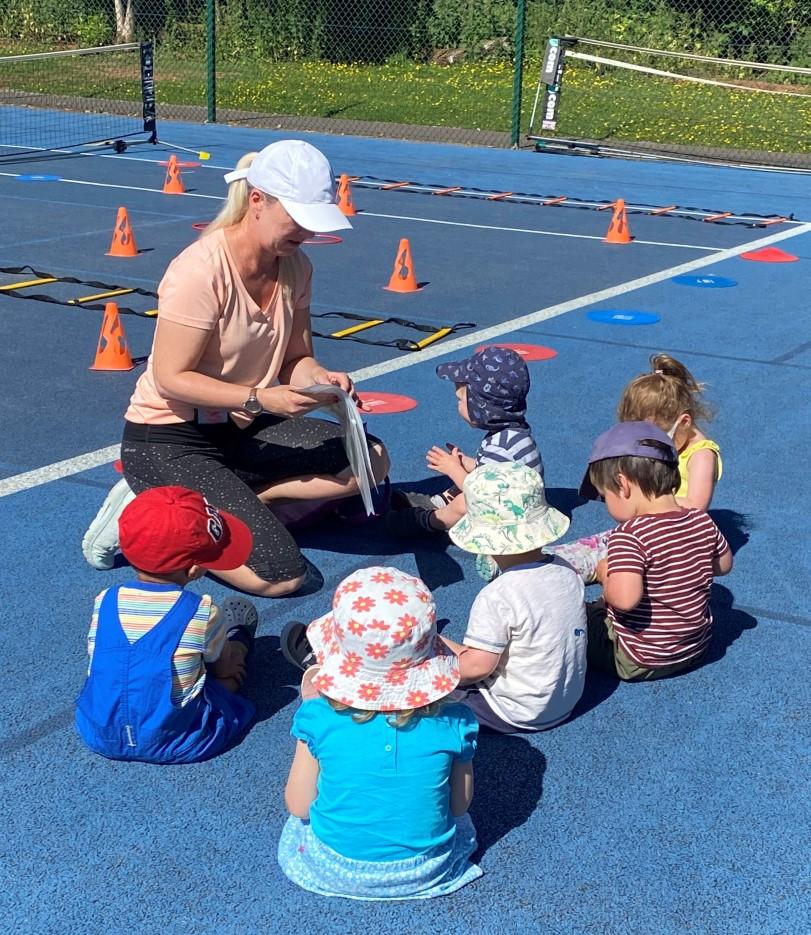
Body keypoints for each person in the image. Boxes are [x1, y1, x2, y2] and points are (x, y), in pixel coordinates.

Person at [81, 139, 390, 596]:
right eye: (298, 218)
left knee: (372, 459)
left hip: (241, 427)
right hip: (169, 435)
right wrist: (260, 398)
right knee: (281, 577)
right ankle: (144, 507)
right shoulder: (200, 270)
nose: (305, 233)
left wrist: (321, 381)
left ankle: (212, 504)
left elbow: (295, 359)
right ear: (257, 200)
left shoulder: (296, 267)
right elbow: (171, 377)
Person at [278, 566, 482, 900]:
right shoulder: (456, 722)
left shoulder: (316, 717)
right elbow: (459, 806)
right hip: (426, 869)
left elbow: (299, 806)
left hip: (335, 868)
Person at [75, 486, 259, 764]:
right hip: (179, 740)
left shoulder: (105, 601)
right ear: (195, 570)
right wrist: (228, 664)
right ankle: (240, 638)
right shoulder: (202, 610)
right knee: (226, 671)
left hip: (99, 733)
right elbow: (221, 665)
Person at [440, 462, 586, 733]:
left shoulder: (499, 594)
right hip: (563, 700)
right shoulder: (567, 571)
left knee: (424, 687)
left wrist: (431, 673)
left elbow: (477, 668)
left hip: (513, 710)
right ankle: (434, 641)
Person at [579, 422, 732, 681]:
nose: (606, 504)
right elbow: (724, 565)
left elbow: (625, 600)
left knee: (576, 616)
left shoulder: (629, 535)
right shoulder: (700, 520)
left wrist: (606, 575)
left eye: (605, 496)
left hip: (638, 658)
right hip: (695, 648)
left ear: (622, 485)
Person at [549, 353, 722, 581]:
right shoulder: (659, 443)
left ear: (684, 423)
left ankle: (553, 570)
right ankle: (537, 561)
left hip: (675, 533)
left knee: (613, 557)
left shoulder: (701, 455)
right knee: (599, 544)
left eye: (654, 435)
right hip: (647, 524)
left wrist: (649, 500)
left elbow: (696, 507)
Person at [386, 345, 543, 541]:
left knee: (462, 503)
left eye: (460, 400)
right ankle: (438, 502)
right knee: (472, 475)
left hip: (511, 518)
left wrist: (453, 470)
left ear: (482, 407)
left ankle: (428, 520)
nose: (458, 405)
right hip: (521, 505)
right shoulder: (515, 434)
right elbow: (499, 476)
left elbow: (481, 493)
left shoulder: (498, 447)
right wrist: (466, 463)